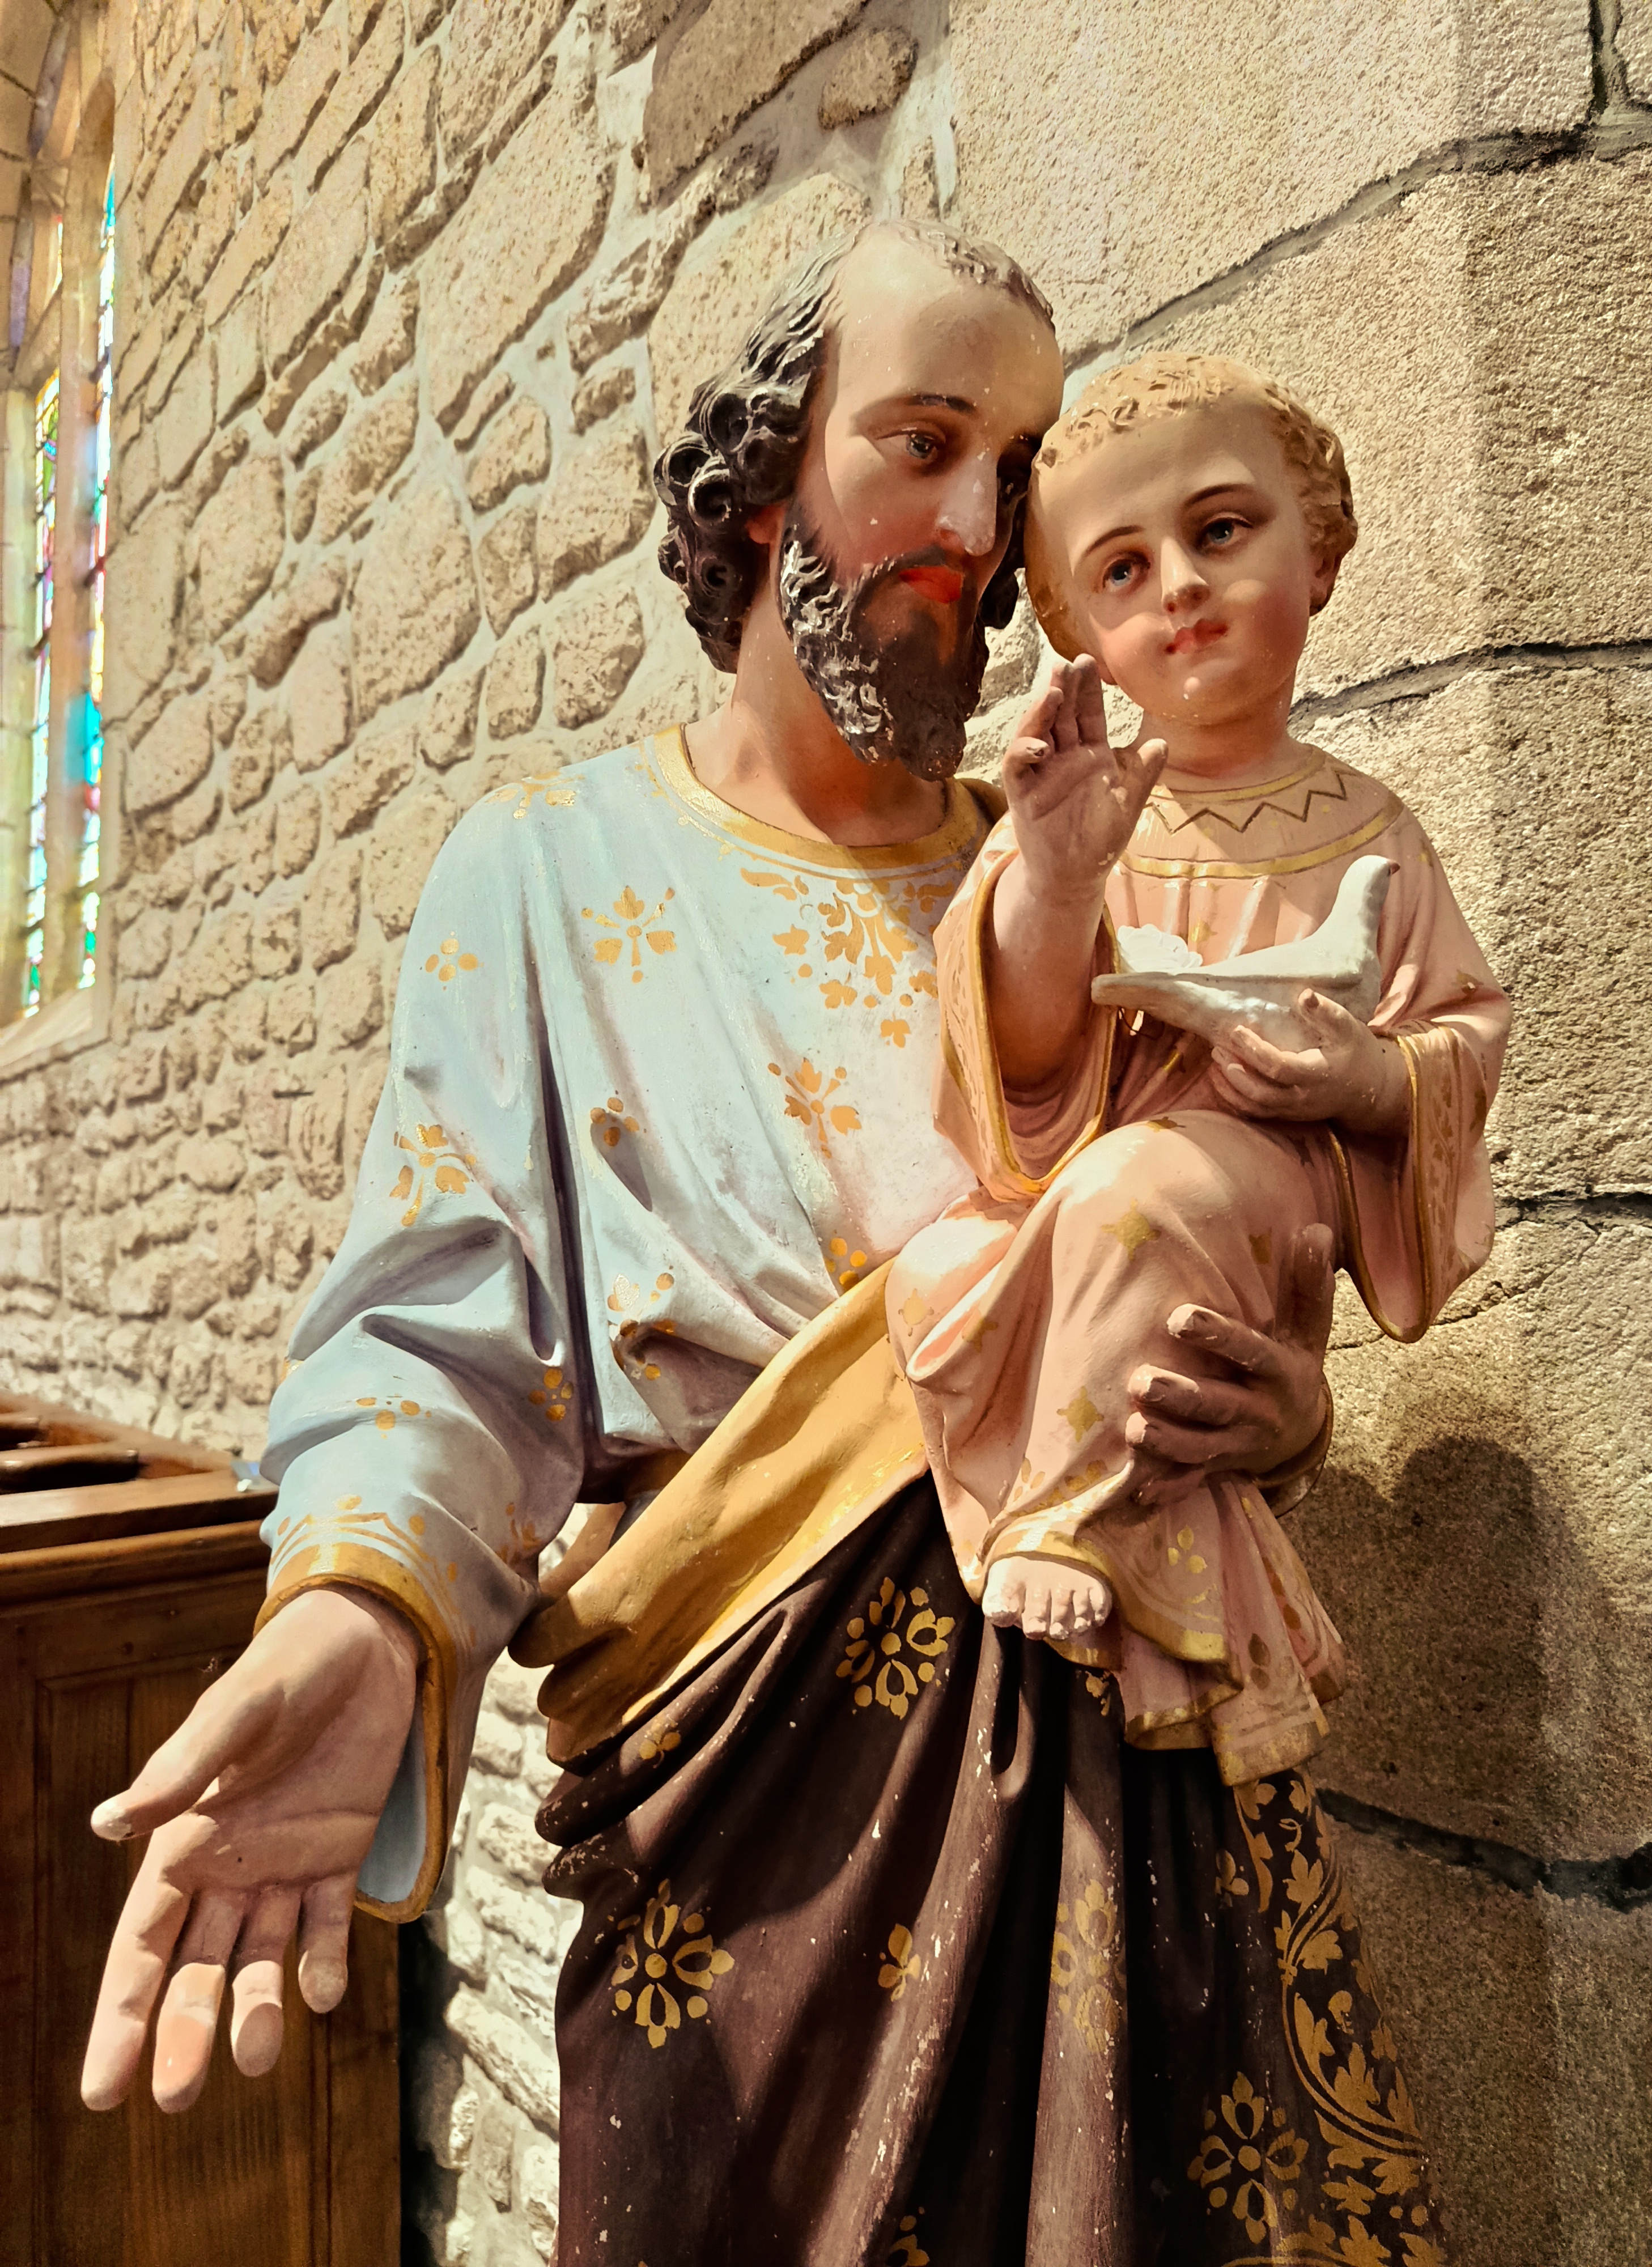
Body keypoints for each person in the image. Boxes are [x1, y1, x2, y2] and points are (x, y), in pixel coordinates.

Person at [80, 231, 1360, 2264]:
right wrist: (357, 1612)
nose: (977, 526)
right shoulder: (553, 869)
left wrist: (1278, 1408)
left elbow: (1218, 1253)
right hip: (755, 1846)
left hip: (1128, 1792)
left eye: (1017, 471)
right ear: (763, 486)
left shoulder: (1085, 875)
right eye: (921, 442)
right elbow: (444, 1337)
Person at [889, 355, 1510, 1811]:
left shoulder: (1368, 826)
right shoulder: (1079, 809)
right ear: (1079, 631)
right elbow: (1008, 1073)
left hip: (1255, 1196)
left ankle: (1068, 1507)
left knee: (1142, 1181)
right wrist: (1056, 881)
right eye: (1123, 567)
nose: (1179, 584)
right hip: (1090, 1212)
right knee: (959, 1256)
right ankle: (1131, 1550)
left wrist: (1366, 1079)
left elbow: (1460, 1037)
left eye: (1221, 530)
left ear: (1320, 551)